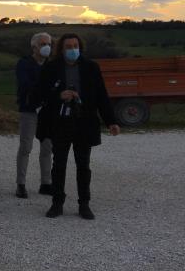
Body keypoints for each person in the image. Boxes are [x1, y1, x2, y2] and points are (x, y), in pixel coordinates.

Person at [33, 33, 120, 220]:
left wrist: (111, 121)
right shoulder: (51, 68)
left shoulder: (91, 67)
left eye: (75, 46)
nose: (72, 49)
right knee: (59, 164)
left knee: (83, 165)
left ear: (80, 47)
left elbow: (101, 95)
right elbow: (39, 94)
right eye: (68, 47)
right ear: (61, 49)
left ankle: (84, 204)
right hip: (59, 123)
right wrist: (59, 95)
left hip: (84, 121)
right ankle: (57, 203)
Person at [15, 33, 54, 198]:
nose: (47, 47)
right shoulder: (24, 64)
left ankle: (46, 183)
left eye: (49, 44)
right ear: (34, 47)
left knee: (47, 148)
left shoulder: (51, 65)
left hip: (47, 112)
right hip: (29, 110)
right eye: (43, 44)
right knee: (26, 147)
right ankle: (21, 184)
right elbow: (26, 84)